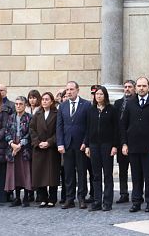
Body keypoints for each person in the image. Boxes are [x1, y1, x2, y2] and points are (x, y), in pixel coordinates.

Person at [120, 77, 149, 213]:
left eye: (144, 86)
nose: (141, 88)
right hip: (133, 146)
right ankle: (136, 201)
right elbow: (123, 125)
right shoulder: (130, 103)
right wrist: (124, 144)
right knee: (136, 176)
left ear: (148, 87)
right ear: (136, 88)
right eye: (139, 86)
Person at [56, 81, 90, 209]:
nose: (69, 92)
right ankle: (69, 198)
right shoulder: (62, 106)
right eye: (67, 90)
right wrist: (60, 143)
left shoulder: (86, 105)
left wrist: (85, 142)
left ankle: (81, 197)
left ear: (77, 90)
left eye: (71, 89)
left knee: (81, 172)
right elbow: (59, 126)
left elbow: (88, 126)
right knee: (68, 173)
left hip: (80, 144)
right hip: (67, 144)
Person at [82, 86, 114, 211]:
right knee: (96, 175)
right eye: (97, 94)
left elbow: (115, 129)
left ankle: (107, 202)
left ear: (105, 96)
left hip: (107, 145)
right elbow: (88, 129)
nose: (98, 96)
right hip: (94, 145)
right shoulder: (91, 110)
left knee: (107, 174)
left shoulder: (111, 110)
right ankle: (97, 201)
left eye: (101, 94)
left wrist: (114, 146)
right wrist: (87, 145)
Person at [30, 92, 60, 207]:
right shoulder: (37, 114)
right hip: (39, 148)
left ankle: (52, 198)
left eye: (47, 99)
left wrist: (49, 142)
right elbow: (32, 129)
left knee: (52, 174)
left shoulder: (57, 114)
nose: (44, 101)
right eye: (43, 99)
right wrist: (38, 142)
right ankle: (43, 197)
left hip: (51, 149)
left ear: (52, 101)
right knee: (39, 173)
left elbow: (58, 131)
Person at [5, 96, 33, 207]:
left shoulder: (29, 117)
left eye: (20, 104)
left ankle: (26, 196)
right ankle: (16, 197)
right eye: (16, 104)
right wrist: (12, 144)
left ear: (25, 105)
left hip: (24, 147)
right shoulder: (11, 117)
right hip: (12, 146)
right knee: (14, 172)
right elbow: (6, 132)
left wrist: (20, 145)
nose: (18, 106)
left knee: (25, 172)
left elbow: (30, 133)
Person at [113, 79, 135, 204]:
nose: (127, 89)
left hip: (135, 141)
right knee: (122, 170)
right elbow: (115, 125)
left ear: (134, 88)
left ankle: (137, 193)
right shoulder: (118, 103)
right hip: (121, 141)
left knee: (137, 170)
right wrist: (117, 143)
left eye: (130, 87)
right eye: (125, 87)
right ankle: (123, 193)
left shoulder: (137, 102)